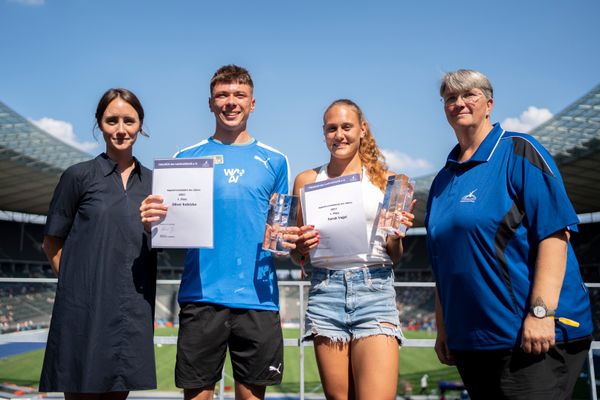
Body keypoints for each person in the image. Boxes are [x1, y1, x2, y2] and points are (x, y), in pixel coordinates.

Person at [425, 69, 593, 399]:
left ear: (489, 103)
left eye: (468, 94)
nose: (459, 103)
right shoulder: (442, 181)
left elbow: (555, 236)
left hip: (528, 337)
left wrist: (541, 313)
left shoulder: (519, 151)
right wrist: (444, 328)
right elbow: (442, 264)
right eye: (450, 98)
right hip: (472, 341)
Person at [140, 65, 289, 400]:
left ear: (253, 103)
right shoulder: (186, 158)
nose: (230, 102)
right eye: (222, 95)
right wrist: (154, 220)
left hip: (258, 299)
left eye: (239, 95)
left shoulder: (276, 161)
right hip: (201, 296)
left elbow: (278, 229)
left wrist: (287, 240)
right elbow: (165, 228)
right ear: (210, 103)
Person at [291, 99, 415, 400]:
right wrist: (301, 247)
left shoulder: (390, 182)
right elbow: (298, 254)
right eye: (332, 128)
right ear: (323, 133)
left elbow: (394, 255)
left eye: (347, 127)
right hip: (326, 291)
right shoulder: (306, 181)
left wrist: (396, 237)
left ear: (362, 129)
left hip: (375, 289)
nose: (339, 135)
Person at [39, 88, 157, 400]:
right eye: (112, 120)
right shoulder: (77, 177)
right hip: (84, 316)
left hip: (130, 313)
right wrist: (78, 291)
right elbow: (51, 243)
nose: (121, 129)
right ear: (99, 124)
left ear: (140, 125)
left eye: (129, 121)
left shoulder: (155, 184)